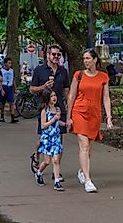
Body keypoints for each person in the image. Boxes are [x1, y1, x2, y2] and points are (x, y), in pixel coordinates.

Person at [66, 49, 113, 193]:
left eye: (88, 58)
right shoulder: (78, 75)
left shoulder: (103, 77)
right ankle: (88, 180)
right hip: (79, 112)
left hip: (94, 115)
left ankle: (81, 171)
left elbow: (106, 98)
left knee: (89, 149)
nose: (85, 61)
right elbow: (71, 96)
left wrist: (109, 117)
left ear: (95, 60)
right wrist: (68, 117)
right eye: (84, 58)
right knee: (84, 146)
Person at [29, 45, 70, 173]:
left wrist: (69, 105)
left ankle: (56, 170)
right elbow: (32, 89)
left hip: (59, 109)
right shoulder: (39, 70)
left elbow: (66, 90)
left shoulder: (63, 71)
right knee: (43, 138)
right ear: (47, 55)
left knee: (59, 139)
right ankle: (36, 155)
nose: (56, 57)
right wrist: (43, 87)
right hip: (45, 109)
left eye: (59, 55)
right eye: (54, 54)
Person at [34, 89, 65, 191]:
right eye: (52, 96)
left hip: (55, 137)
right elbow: (43, 126)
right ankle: (39, 173)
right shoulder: (45, 111)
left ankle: (57, 182)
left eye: (55, 95)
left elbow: (57, 121)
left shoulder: (57, 109)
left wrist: (64, 124)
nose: (54, 98)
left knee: (56, 160)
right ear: (47, 98)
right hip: (47, 138)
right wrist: (54, 119)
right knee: (47, 161)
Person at [0, 58, 19, 123]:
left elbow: (13, 80)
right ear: (5, 63)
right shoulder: (1, 71)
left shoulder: (12, 71)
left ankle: (12, 117)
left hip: (10, 87)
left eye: (11, 63)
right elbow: (0, 81)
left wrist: (15, 88)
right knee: (2, 103)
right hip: (4, 86)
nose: (10, 64)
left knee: (11, 102)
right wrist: (1, 89)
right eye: (9, 63)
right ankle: (2, 116)